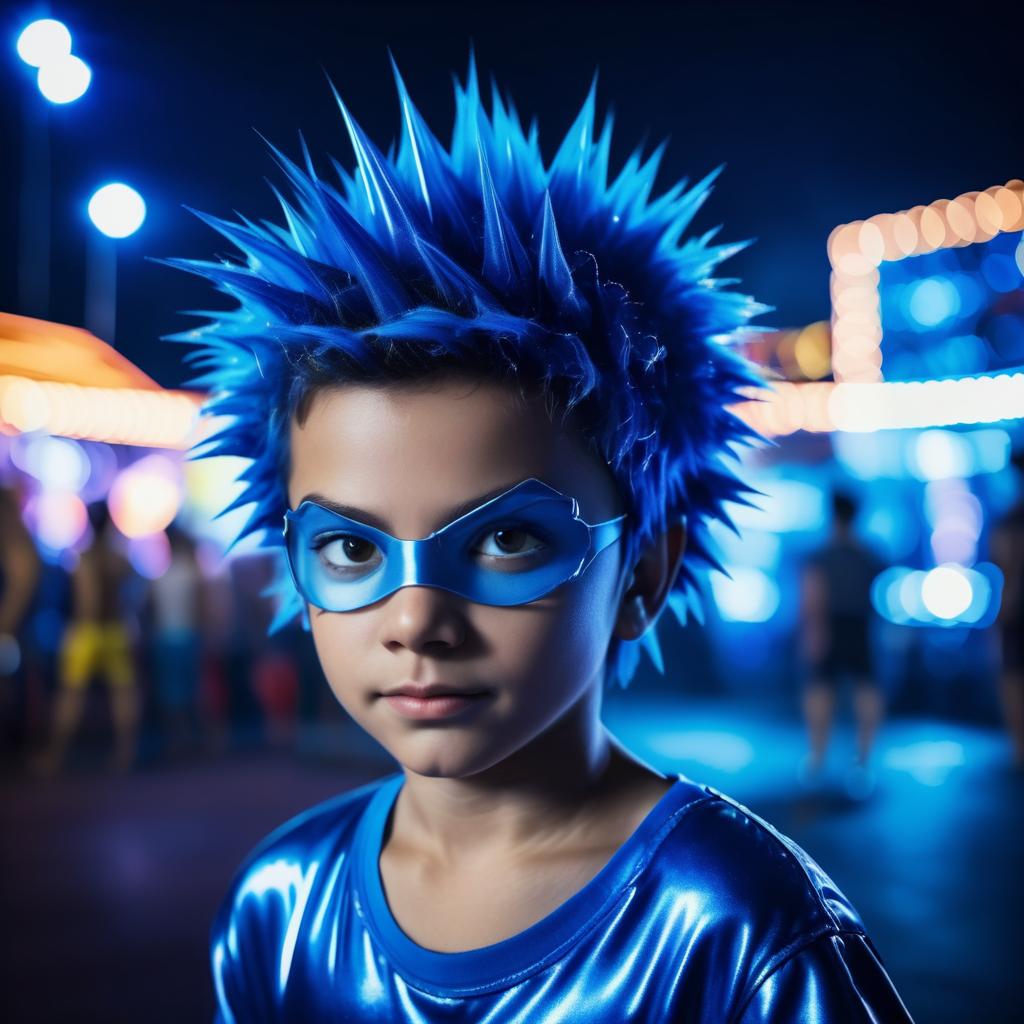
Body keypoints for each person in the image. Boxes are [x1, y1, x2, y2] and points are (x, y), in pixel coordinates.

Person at [170, 59, 914, 1022]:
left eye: (507, 540)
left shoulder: (744, 933)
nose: (417, 620)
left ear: (644, 570)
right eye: (352, 550)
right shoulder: (277, 902)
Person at [34, 501, 140, 775]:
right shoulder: (120, 557)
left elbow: (87, 600)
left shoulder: (82, 557)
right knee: (122, 691)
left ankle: (54, 756)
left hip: (85, 632)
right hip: (116, 629)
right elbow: (131, 594)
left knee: (71, 693)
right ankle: (125, 754)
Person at [799, 491, 886, 795]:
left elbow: (812, 595)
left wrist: (813, 631)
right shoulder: (869, 554)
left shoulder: (821, 555)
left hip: (830, 624)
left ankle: (817, 758)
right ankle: (863, 759)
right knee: (866, 689)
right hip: (860, 626)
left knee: (822, 690)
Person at [991, 451, 1024, 769]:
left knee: (1013, 677)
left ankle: (1019, 749)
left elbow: (1008, 569)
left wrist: (1002, 611)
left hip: (1017, 610)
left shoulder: (1011, 520)